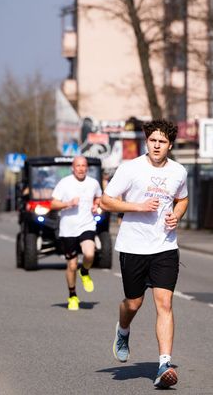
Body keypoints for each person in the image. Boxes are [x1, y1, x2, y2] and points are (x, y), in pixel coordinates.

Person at [100, 119, 188, 389]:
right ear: (146, 142)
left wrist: (176, 215)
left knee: (165, 303)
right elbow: (106, 201)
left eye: (162, 141)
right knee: (134, 303)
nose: (157, 145)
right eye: (153, 141)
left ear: (170, 145)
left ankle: (164, 365)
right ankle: (123, 330)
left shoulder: (179, 171)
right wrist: (138, 207)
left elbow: (182, 199)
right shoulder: (130, 169)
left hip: (164, 247)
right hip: (133, 247)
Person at [51, 156, 102, 311]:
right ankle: (72, 295)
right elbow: (53, 203)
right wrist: (68, 203)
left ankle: (84, 271)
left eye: (83, 165)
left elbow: (99, 197)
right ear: (73, 168)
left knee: (89, 254)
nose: (81, 168)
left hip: (87, 225)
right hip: (69, 229)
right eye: (78, 166)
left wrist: (96, 205)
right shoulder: (64, 183)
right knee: (72, 265)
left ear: (87, 168)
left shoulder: (93, 183)